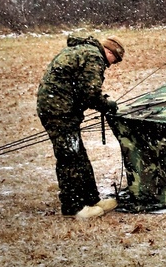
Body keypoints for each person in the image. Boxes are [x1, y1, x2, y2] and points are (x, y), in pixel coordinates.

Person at [36, 32, 125, 218]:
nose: (110, 65)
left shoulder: (82, 51)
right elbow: (89, 93)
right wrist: (107, 105)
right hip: (58, 111)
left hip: (59, 107)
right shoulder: (94, 56)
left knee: (79, 155)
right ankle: (73, 207)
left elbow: (82, 89)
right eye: (114, 60)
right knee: (69, 157)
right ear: (108, 51)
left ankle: (92, 200)